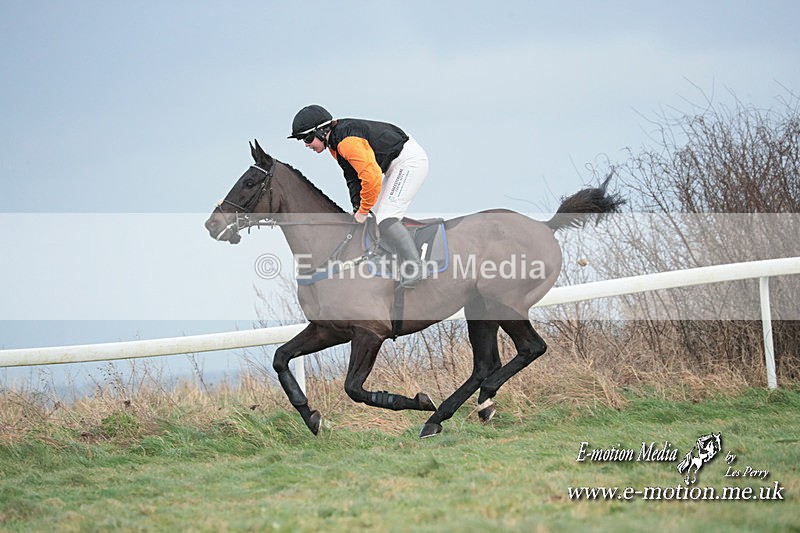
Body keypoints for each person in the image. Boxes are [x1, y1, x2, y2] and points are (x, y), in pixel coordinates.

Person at [288, 104, 430, 288]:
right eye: (302, 140)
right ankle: (395, 260)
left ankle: (416, 266)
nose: (306, 144)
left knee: (386, 217)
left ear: (322, 131)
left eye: (307, 138)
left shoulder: (346, 142)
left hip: (408, 162)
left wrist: (363, 210)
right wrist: (357, 208)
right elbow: (353, 178)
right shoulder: (334, 145)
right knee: (376, 216)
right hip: (393, 165)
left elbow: (371, 178)